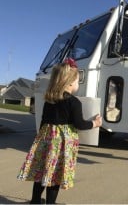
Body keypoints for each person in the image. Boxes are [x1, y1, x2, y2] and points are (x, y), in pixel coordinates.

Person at [17, 58, 102, 204]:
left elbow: (43, 121)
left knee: (42, 172)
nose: (77, 84)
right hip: (61, 144)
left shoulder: (49, 100)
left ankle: (35, 201)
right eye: (77, 81)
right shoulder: (74, 102)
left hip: (45, 140)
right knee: (55, 174)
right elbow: (80, 124)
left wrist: (39, 139)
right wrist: (95, 123)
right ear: (69, 82)